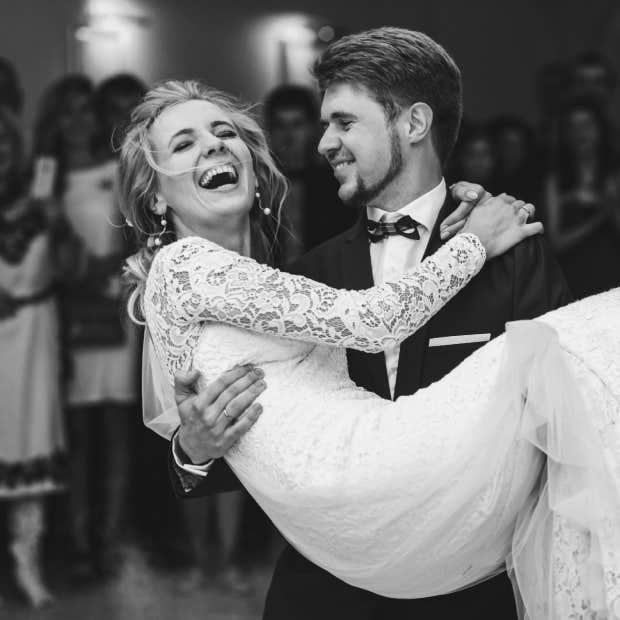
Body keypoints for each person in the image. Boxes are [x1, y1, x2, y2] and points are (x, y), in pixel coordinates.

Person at [164, 28, 578, 620]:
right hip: (328, 590)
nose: (323, 143)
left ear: (412, 124)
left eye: (343, 123)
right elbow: (274, 446)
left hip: (472, 592)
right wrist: (193, 450)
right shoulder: (307, 275)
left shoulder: (513, 256)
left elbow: (563, 436)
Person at [33, 74, 139, 579]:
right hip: (66, 313)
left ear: (97, 117)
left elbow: (138, 239)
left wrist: (101, 269)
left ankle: (112, 538)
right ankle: (77, 539)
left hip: (115, 308)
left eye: (85, 110)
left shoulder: (118, 169)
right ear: (54, 119)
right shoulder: (43, 174)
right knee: (75, 432)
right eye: (66, 111)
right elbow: (32, 245)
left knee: (115, 428)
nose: (77, 121)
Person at [0, 107, 75, 607]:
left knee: (28, 453)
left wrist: (60, 228)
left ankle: (28, 564)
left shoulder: (43, 201)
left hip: (33, 335)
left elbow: (72, 269)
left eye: (3, 142)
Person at [263, 84, 356, 264]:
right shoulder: (260, 185)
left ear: (312, 129)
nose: (288, 136)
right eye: (280, 125)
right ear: (270, 131)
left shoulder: (337, 184)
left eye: (297, 124)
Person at [543, 97, 620, 299]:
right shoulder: (557, 181)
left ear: (600, 129)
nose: (581, 132)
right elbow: (556, 242)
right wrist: (601, 212)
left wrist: (607, 206)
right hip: (574, 276)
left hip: (613, 271)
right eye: (573, 126)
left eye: (587, 124)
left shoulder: (614, 174)